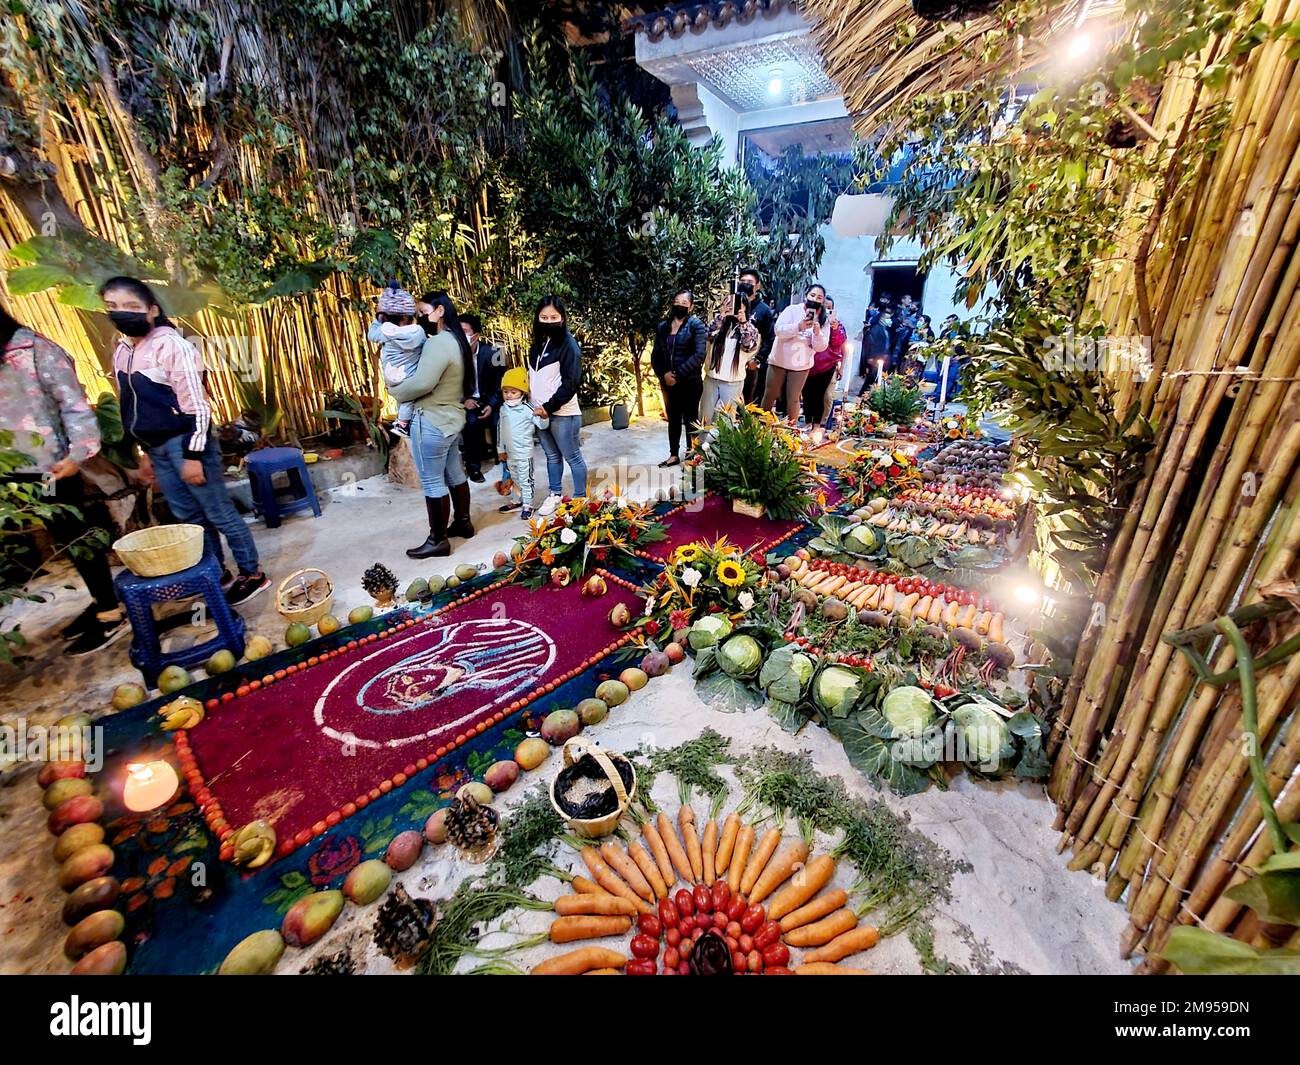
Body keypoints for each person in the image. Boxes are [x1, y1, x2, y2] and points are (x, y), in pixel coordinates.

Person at [101, 276, 268, 605]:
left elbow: (198, 407)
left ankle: (252, 574)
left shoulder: (171, 346)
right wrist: (145, 451)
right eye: (112, 306)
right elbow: (132, 408)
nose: (121, 313)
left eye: (132, 307)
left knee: (219, 512)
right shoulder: (122, 350)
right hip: (157, 448)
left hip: (187, 443)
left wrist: (193, 455)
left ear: (152, 310)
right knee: (190, 519)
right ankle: (215, 572)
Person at [1, 308, 127, 654]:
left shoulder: (35, 349)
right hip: (9, 469)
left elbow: (74, 406)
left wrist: (77, 455)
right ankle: (103, 602)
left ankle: (110, 612)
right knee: (58, 541)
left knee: (75, 538)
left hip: (51, 466)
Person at [393, 292, 476, 558]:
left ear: (440, 310)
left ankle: (437, 540)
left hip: (431, 420)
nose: (420, 317)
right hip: (452, 420)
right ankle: (463, 523)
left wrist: (395, 391)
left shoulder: (439, 342)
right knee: (454, 472)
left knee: (431, 480)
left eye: (423, 311)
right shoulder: (458, 339)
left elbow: (421, 384)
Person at [526, 296, 587, 515]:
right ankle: (555, 495)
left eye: (554, 317)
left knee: (573, 456)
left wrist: (549, 407)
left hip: (563, 414)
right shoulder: (538, 343)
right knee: (551, 456)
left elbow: (571, 383)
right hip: (540, 413)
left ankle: (580, 500)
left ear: (562, 319)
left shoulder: (569, 345)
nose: (549, 321)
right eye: (544, 317)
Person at [650, 290, 707, 467]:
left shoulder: (696, 325)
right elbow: (656, 355)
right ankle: (673, 454)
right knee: (673, 418)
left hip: (690, 381)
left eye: (684, 302)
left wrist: (677, 374)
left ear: (690, 306)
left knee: (691, 419)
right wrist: (663, 374)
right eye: (677, 301)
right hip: (668, 383)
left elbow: (699, 355)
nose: (680, 305)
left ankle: (693, 454)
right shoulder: (663, 327)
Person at [367, 281, 425, 438]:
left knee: (402, 401)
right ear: (409, 316)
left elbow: (371, 334)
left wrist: (378, 318)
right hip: (410, 377)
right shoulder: (418, 332)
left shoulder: (386, 332)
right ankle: (403, 424)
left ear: (384, 316)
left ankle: (402, 421)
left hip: (392, 378)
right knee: (408, 400)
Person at [763, 283, 828, 421]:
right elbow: (778, 330)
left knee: (794, 399)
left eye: (819, 297)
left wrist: (817, 333)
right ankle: (760, 426)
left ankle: (792, 431)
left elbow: (820, 347)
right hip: (779, 361)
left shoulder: (823, 319)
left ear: (823, 301)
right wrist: (798, 326)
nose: (815, 299)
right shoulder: (792, 310)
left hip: (801, 365)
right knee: (770, 395)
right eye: (812, 295)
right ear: (806, 295)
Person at [495, 367, 547, 520]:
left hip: (524, 454)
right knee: (515, 478)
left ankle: (528, 504)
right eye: (506, 392)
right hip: (509, 453)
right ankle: (517, 501)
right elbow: (500, 430)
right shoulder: (503, 409)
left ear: (522, 392)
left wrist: (544, 416)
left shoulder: (527, 408)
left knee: (526, 479)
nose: (509, 396)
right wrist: (500, 449)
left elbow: (542, 425)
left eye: (513, 392)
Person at [701, 289, 759, 426]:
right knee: (705, 417)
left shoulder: (750, 329)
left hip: (732, 382)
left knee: (726, 421)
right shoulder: (719, 323)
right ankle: (703, 445)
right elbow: (707, 335)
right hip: (712, 378)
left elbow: (748, 346)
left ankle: (721, 447)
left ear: (745, 307)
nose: (734, 306)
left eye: (739, 304)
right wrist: (722, 316)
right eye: (729, 302)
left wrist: (743, 322)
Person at [458, 311, 504, 484]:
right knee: (471, 423)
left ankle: (503, 458)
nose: (460, 335)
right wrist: (463, 400)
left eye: (464, 331)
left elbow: (502, 384)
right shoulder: (452, 355)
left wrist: (492, 404)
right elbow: (448, 385)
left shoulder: (496, 351)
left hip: (491, 399)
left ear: (475, 335)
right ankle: (474, 469)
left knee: (498, 420)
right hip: (469, 401)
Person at [803, 295, 846, 428]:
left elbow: (841, 345)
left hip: (829, 365)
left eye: (830, 308)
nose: (827, 311)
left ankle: (821, 424)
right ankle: (808, 421)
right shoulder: (810, 322)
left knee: (826, 396)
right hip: (809, 364)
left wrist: (834, 329)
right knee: (808, 395)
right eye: (824, 307)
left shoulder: (838, 326)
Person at [737, 267, 775, 405]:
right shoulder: (732, 304)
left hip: (751, 364)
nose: (745, 284)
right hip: (732, 363)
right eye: (742, 281)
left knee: (749, 403)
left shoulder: (764, 310)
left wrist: (757, 360)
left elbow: (769, 339)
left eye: (749, 282)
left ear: (757, 286)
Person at [859, 308, 893, 393]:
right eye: (887, 319)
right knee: (871, 378)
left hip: (883, 357)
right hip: (875, 357)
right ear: (882, 319)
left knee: (877, 378)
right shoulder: (875, 330)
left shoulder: (886, 330)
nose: (890, 320)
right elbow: (870, 344)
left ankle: (870, 395)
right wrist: (870, 357)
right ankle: (862, 394)